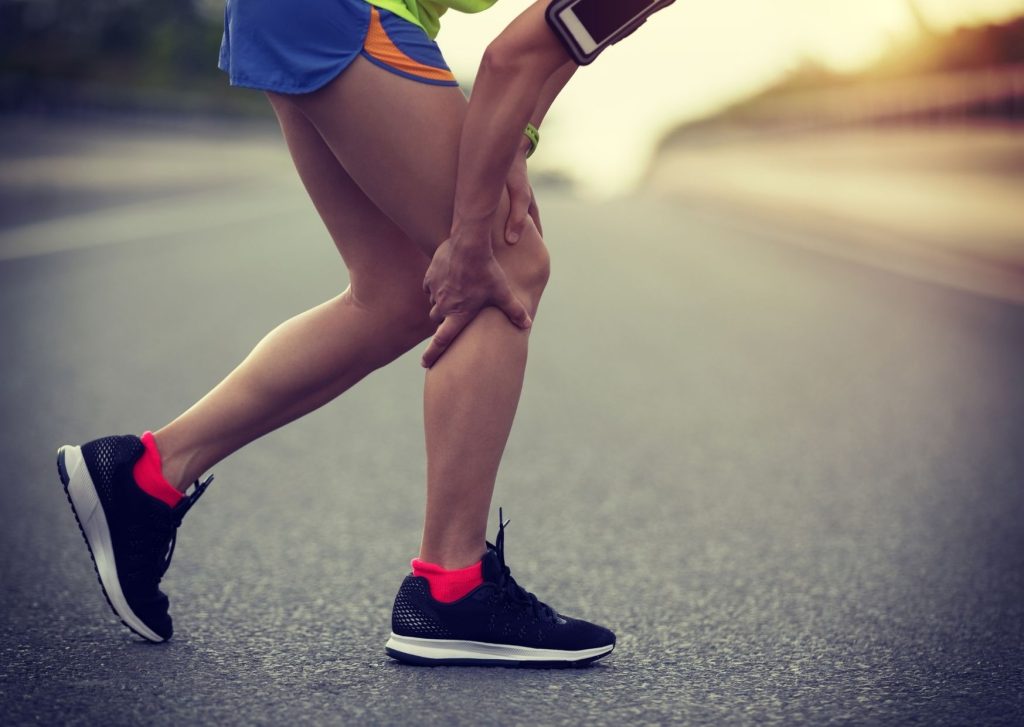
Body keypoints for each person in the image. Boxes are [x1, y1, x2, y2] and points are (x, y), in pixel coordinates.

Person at [57, 0, 665, 667]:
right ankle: (450, 588)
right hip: (341, 13)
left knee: (398, 294)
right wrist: (469, 234)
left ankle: (145, 475)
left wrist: (513, 145)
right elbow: (512, 57)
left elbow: (558, 48)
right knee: (501, 267)